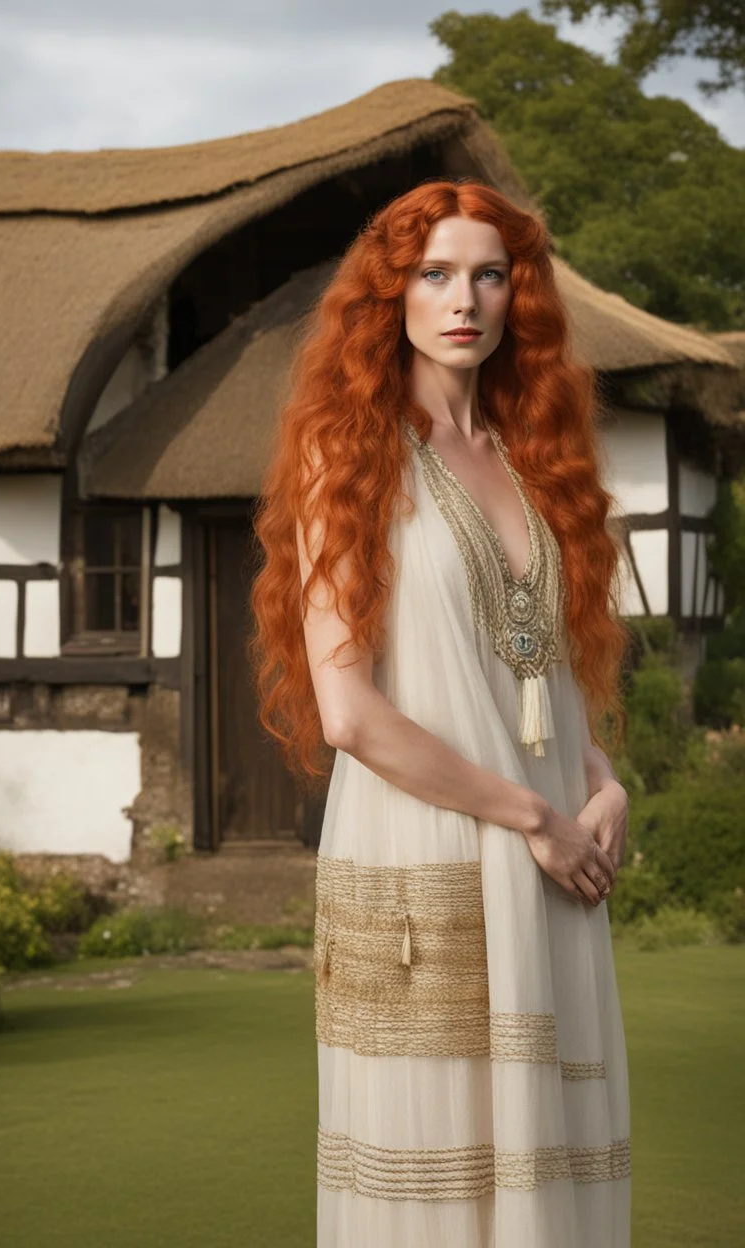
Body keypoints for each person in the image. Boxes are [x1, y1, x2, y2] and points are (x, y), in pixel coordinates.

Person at [248, 178, 632, 1248]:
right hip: (431, 852)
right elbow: (348, 713)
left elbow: (536, 674)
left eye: (488, 275)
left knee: (545, 1168)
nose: (462, 299)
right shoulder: (350, 456)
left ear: (519, 298)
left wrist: (600, 785)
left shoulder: (535, 463)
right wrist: (531, 817)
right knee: (437, 1188)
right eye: (433, 275)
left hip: (552, 860)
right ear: (393, 296)